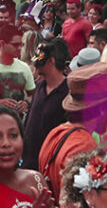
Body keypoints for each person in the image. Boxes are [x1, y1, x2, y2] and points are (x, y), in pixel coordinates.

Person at [23, 38, 71, 171]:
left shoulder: (68, 93)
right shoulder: (40, 86)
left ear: (51, 61)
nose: (35, 63)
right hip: (28, 163)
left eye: (40, 58)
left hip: (50, 167)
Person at [0, 25, 34, 113]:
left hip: (18, 121)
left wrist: (26, 103)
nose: (19, 48)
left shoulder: (24, 68)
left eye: (21, 45)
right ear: (2, 43)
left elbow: (33, 94)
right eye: (15, 45)